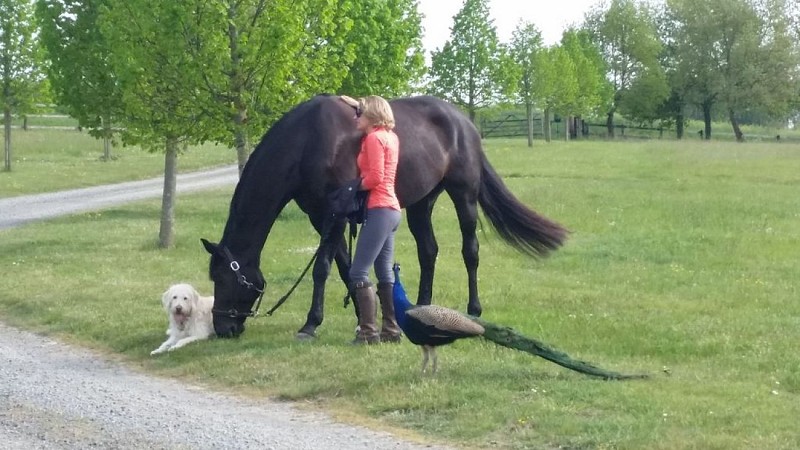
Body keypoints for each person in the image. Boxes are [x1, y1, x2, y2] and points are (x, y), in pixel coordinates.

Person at [341, 95, 402, 345]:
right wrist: (358, 104)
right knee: (383, 270)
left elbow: (376, 177)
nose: (356, 118)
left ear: (372, 116)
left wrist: (353, 187)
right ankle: (391, 329)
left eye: (360, 114)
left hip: (379, 208)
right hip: (392, 210)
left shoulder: (374, 138)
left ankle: (368, 333)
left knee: (358, 272)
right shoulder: (391, 136)